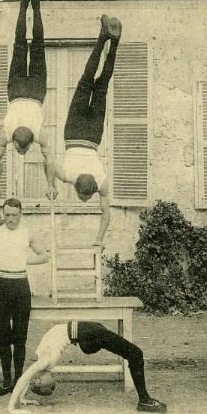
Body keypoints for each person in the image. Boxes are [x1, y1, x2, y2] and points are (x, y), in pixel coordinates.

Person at [49, 15, 121, 246]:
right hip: (74, 133)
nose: (81, 199)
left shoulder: (101, 181)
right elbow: (48, 163)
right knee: (86, 81)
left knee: (100, 85)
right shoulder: (67, 176)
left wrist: (100, 238)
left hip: (92, 135)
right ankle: (103, 38)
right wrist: (51, 184)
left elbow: (106, 213)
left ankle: (112, 42)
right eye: (83, 197)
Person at [0, 198, 49, 397]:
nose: (10, 219)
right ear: (3, 214)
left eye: (14, 215)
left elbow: (44, 255)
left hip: (20, 287)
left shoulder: (27, 233)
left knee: (20, 338)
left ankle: (18, 382)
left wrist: (25, 261)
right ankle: (7, 382)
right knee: (4, 338)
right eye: (7, 215)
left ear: (20, 214)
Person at [7, 321, 167, 414]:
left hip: (85, 333)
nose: (52, 385)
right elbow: (27, 378)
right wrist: (22, 398)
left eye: (48, 386)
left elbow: (24, 378)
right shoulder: (41, 361)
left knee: (134, 353)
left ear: (39, 378)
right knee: (134, 353)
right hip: (84, 331)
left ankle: (144, 400)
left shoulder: (44, 362)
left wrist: (11, 407)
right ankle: (144, 400)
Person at [0, 0, 54, 200]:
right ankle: (25, 2)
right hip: (18, 90)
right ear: (18, 143)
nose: (21, 152)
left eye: (20, 150)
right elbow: (50, 161)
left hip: (34, 92)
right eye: (21, 150)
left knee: (36, 45)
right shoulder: (7, 133)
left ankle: (32, 2)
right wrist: (51, 185)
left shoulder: (37, 134)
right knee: (20, 44)